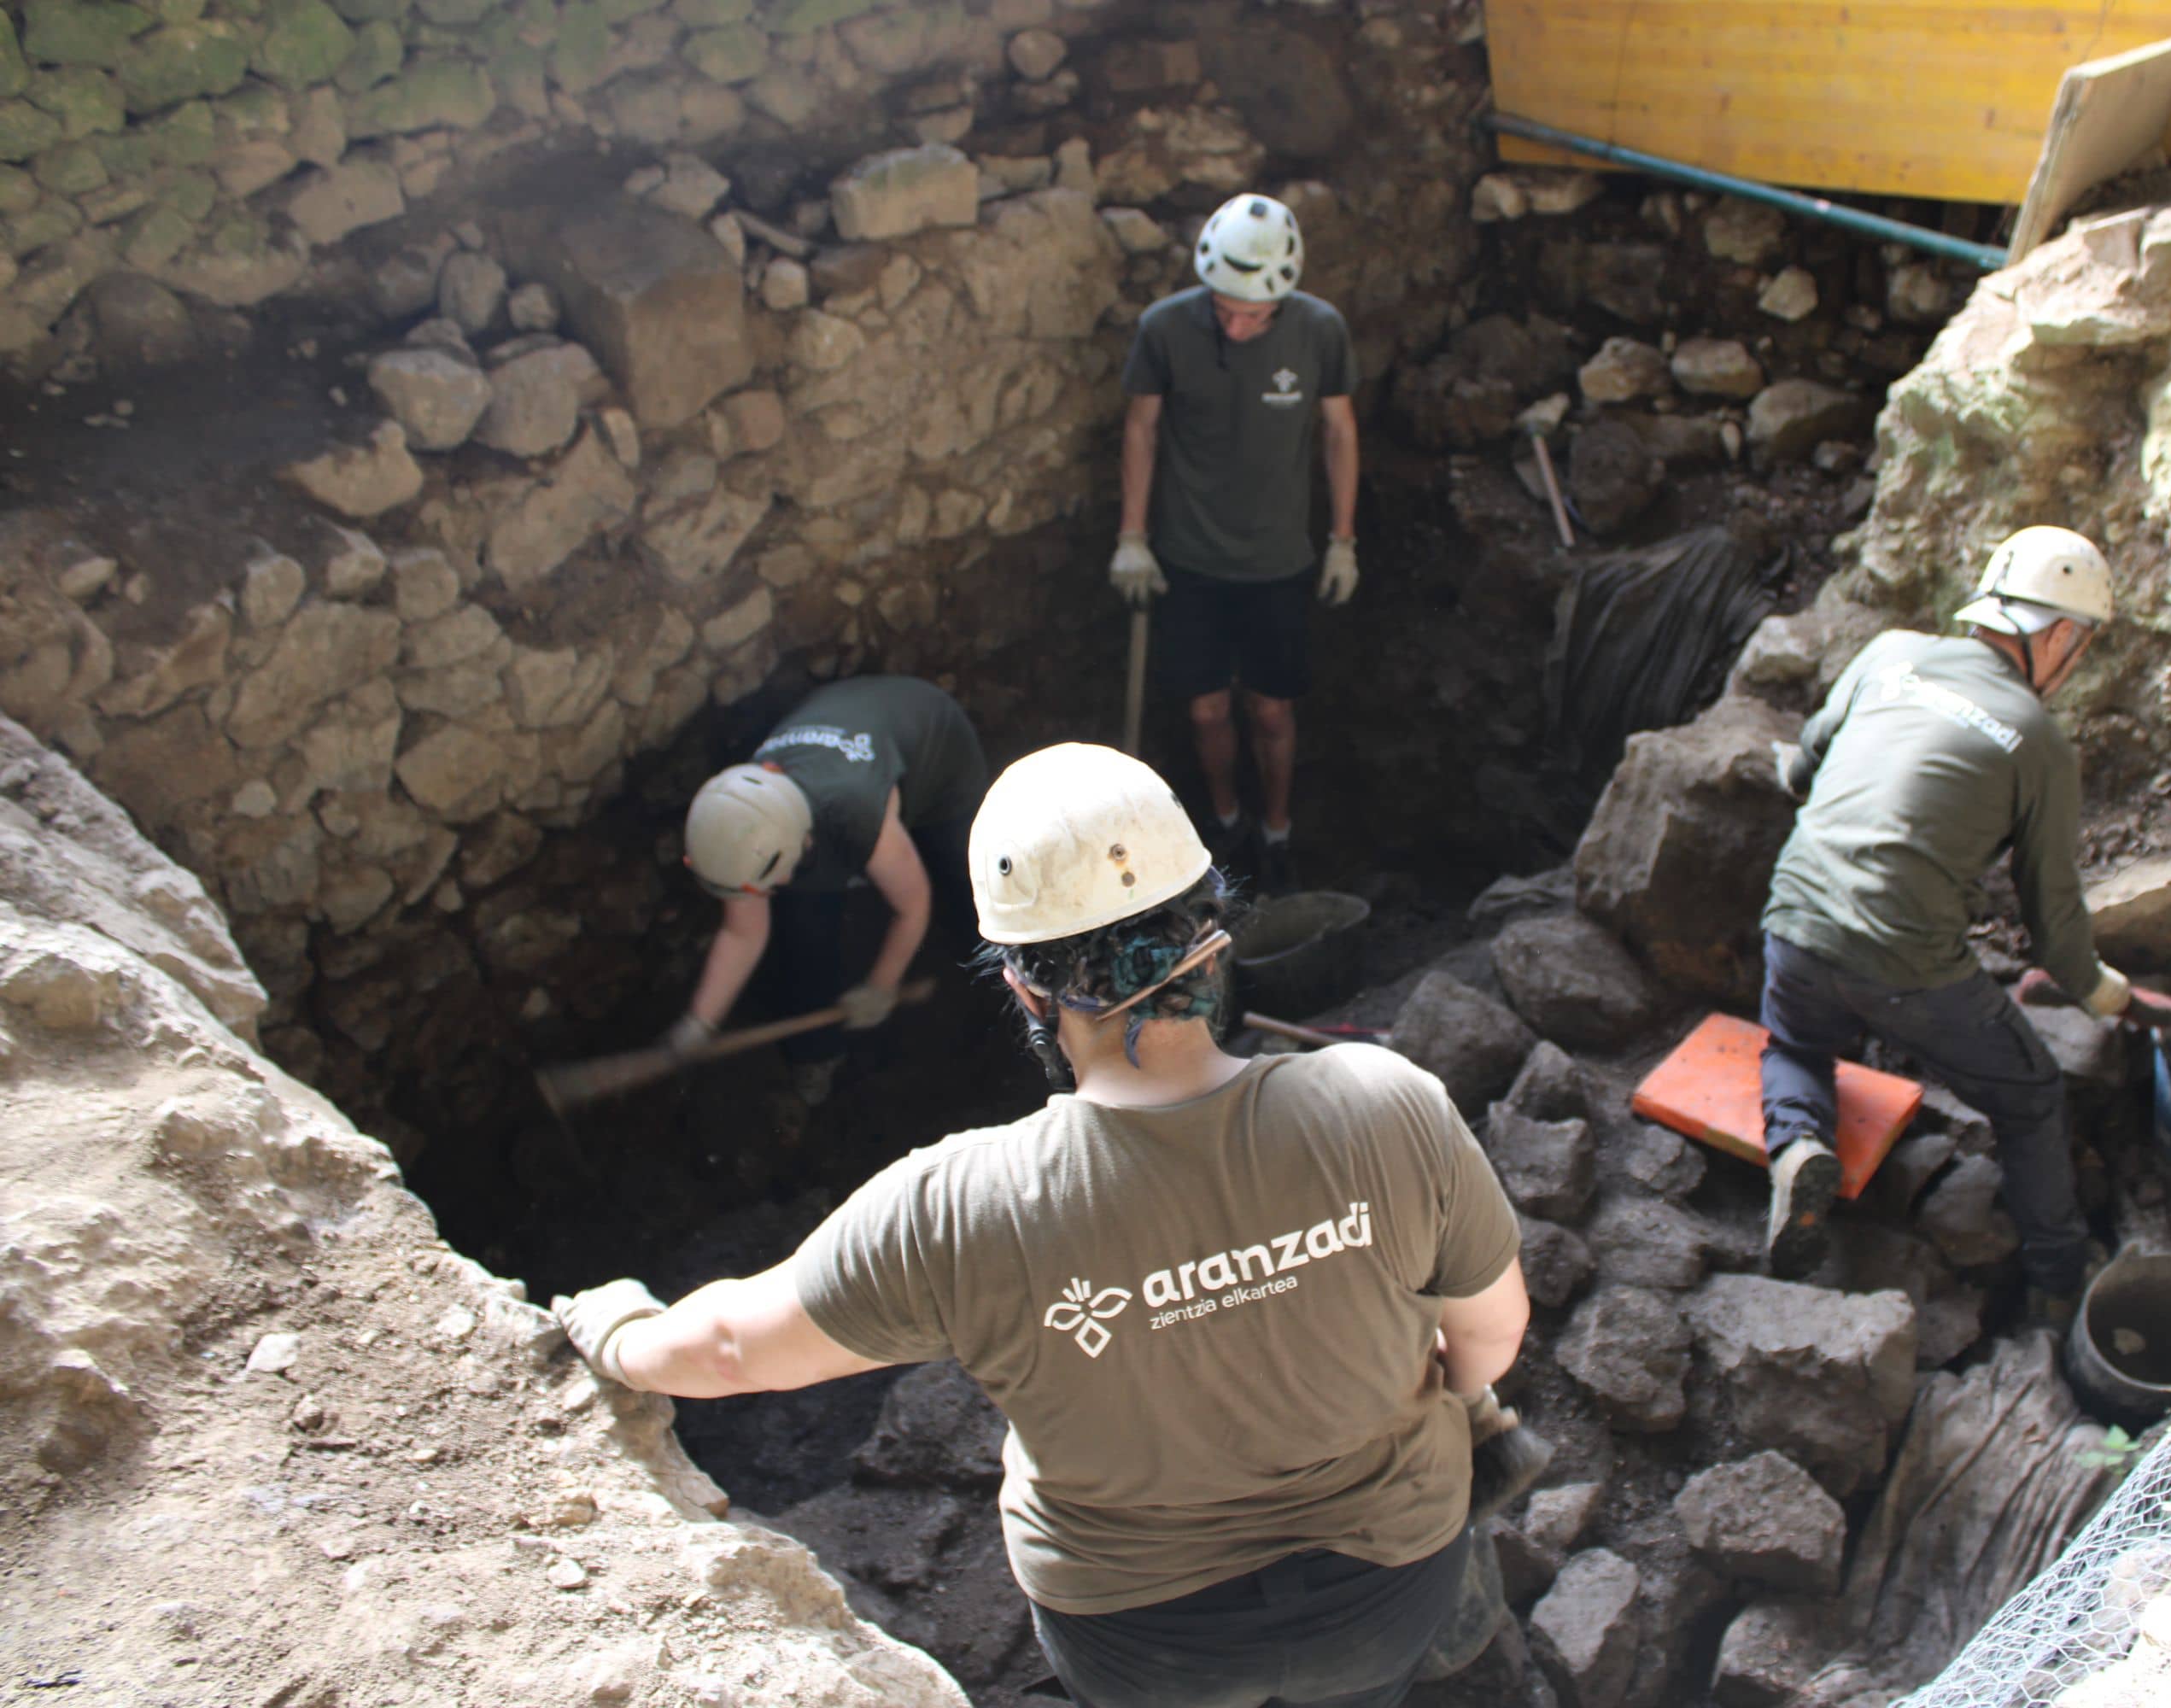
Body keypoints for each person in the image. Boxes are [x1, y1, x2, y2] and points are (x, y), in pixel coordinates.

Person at [559, 744, 1534, 1708]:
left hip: (1144, 1640)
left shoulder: (958, 1208)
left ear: (1024, 988)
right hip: (1385, 1591)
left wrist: (618, 1332)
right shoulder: (1386, 1101)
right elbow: (1488, 1338)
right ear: (1215, 934)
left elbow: (730, 1349)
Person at [1756, 527, 2171, 1305]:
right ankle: (2061, 1279)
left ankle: (1796, 1147)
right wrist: (2113, 999)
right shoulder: (2038, 741)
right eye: (2081, 645)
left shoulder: (1889, 653)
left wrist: (1787, 764)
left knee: (1794, 1042)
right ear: (2058, 635)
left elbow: (1807, 766)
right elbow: (2054, 923)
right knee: (2031, 1097)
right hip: (1907, 967)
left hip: (1794, 922)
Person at [1112, 191, 1361, 894]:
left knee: (1271, 708)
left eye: (1253, 314)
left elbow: (1340, 431)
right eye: (1224, 310)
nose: (1238, 324)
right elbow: (1141, 428)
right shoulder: (1165, 330)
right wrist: (1132, 537)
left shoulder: (1320, 330)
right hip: (1190, 559)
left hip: (1278, 562)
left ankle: (1276, 832)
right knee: (1206, 709)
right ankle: (1223, 823)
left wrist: (1343, 539)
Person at [671, 675, 988, 1108]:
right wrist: (699, 1022)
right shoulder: (741, 821)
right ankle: (817, 1056)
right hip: (850, 742)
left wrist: (881, 985)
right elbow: (742, 933)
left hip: (937, 747)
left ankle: (1000, 981)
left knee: (966, 875)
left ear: (800, 849)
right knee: (804, 932)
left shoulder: (856, 813)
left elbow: (913, 906)